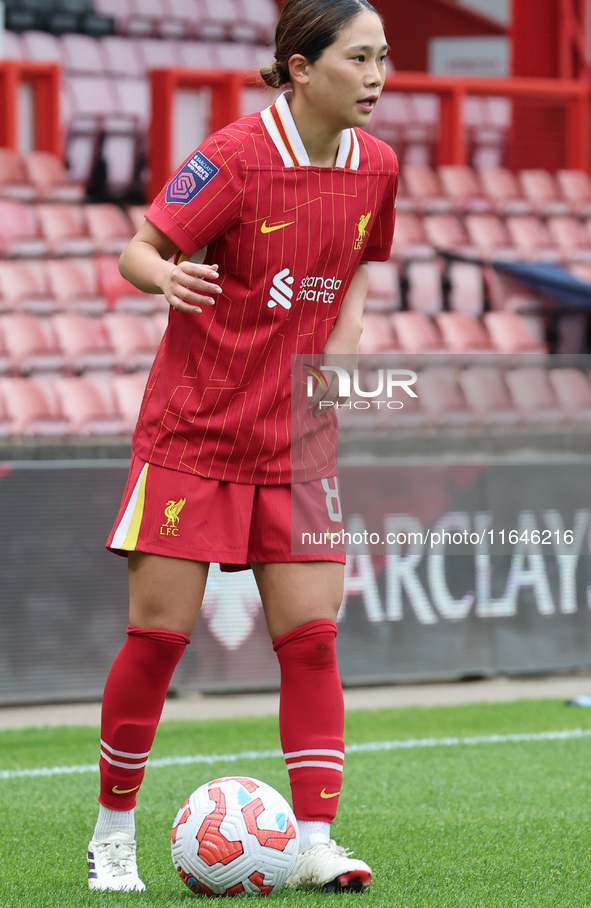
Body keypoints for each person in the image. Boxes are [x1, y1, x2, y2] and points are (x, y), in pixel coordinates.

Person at [87, 0, 397, 893]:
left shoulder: (376, 166)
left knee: (312, 641)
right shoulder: (232, 156)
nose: (376, 76)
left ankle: (311, 843)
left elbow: (360, 272)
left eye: (383, 58)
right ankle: (113, 838)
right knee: (157, 640)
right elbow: (136, 251)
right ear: (299, 68)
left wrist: (336, 373)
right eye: (359, 58)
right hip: (193, 434)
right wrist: (167, 275)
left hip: (296, 444)